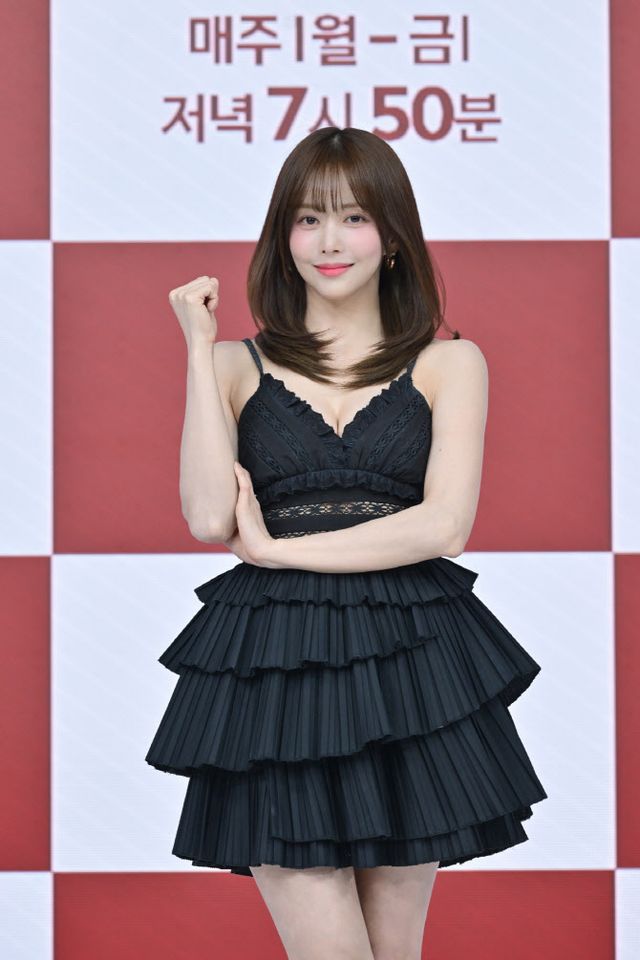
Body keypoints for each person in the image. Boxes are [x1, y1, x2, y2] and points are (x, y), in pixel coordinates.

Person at [145, 126, 548, 960]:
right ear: (283, 237)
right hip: (275, 669)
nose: (330, 241)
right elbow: (209, 516)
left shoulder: (450, 363)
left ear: (392, 237)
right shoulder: (233, 364)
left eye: (354, 217)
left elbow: (444, 526)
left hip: (412, 662)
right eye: (308, 219)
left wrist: (280, 552)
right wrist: (196, 350)